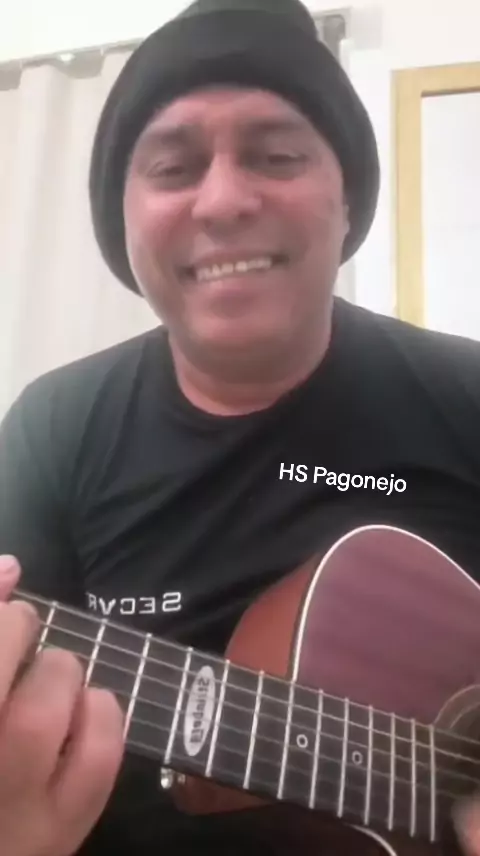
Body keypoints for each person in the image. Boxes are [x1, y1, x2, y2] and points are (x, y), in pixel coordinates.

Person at [0, 0, 480, 853]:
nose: (222, 201)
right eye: (173, 167)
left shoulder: (467, 393)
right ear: (122, 222)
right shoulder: (53, 428)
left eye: (278, 155)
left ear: (347, 200)